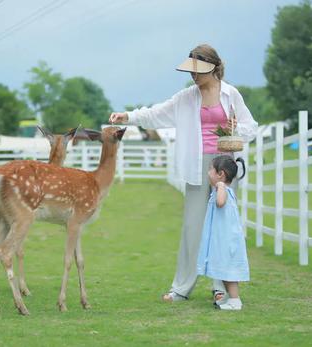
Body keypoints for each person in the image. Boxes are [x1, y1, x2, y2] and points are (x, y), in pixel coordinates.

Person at [109, 44, 258, 303]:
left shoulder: (231, 94)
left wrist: (236, 130)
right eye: (191, 71)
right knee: (192, 227)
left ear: (213, 67)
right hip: (197, 166)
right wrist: (128, 117)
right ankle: (181, 287)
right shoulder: (186, 97)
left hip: (225, 165)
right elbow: (156, 114)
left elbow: (250, 127)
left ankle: (220, 287)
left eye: (198, 70)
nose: (194, 76)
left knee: (223, 227)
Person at [197, 155, 249, 310]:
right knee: (222, 268)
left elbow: (220, 203)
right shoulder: (220, 190)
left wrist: (220, 186)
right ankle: (228, 296)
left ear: (220, 174)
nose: (208, 173)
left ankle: (235, 300)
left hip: (227, 240)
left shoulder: (223, 190)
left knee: (229, 269)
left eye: (210, 170)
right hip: (220, 238)